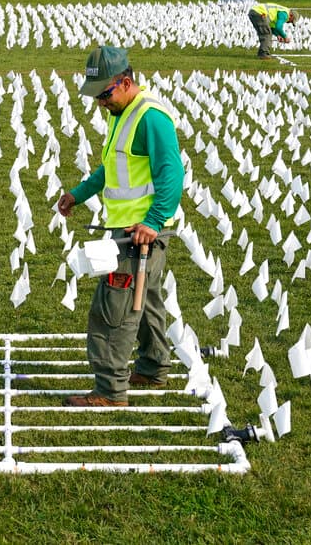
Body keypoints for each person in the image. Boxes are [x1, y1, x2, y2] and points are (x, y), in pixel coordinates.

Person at [56, 46, 184, 407]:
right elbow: (112, 168)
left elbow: (173, 173)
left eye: (104, 94)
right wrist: (79, 194)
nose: (100, 102)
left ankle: (110, 389)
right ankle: (154, 366)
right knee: (146, 302)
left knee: (113, 310)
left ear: (125, 82)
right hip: (131, 230)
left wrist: (153, 221)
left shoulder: (150, 118)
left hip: (138, 234)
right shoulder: (122, 113)